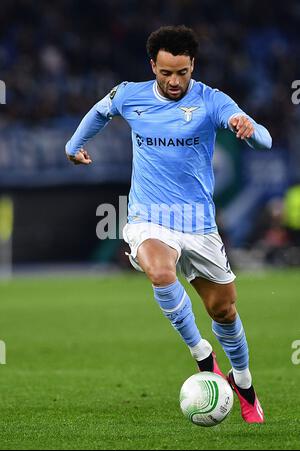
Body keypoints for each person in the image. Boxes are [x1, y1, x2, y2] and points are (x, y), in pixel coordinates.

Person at [65, 25, 272, 423]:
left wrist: (249, 131)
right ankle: (203, 356)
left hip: (198, 223)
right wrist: (74, 146)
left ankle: (244, 383)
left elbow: (262, 138)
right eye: (165, 73)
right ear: (153, 67)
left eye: (182, 72)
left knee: (224, 311)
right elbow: (99, 112)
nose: (174, 81)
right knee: (160, 271)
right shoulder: (130, 94)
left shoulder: (212, 101)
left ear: (193, 65)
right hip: (148, 216)